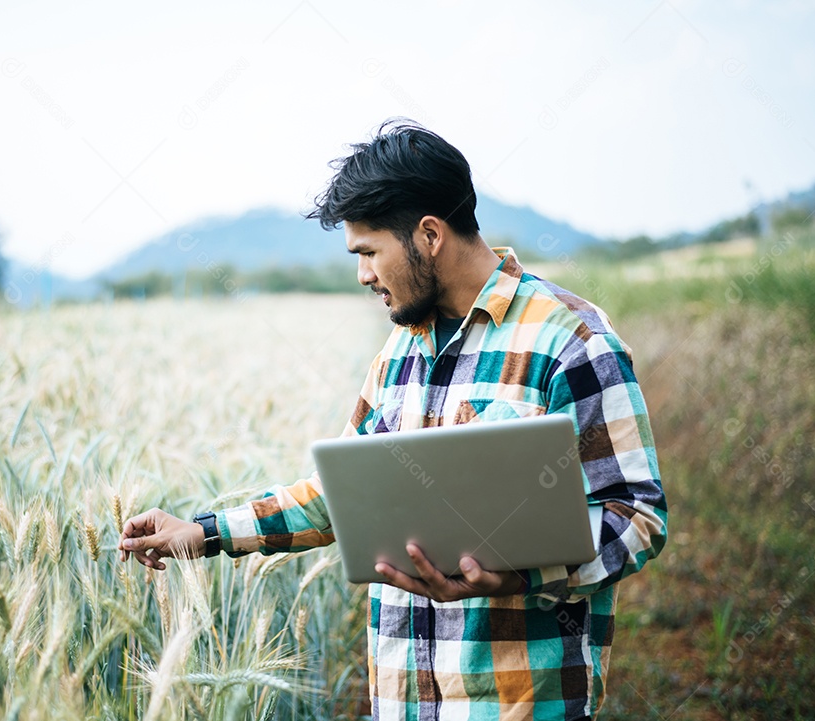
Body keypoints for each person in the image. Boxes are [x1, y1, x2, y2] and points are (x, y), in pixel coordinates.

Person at [118, 120, 668, 720]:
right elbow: (346, 496)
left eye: (368, 252)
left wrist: (519, 576)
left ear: (429, 234)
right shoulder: (399, 353)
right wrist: (202, 532)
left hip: (520, 707)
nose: (363, 276)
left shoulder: (573, 340)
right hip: (400, 702)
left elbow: (637, 516)